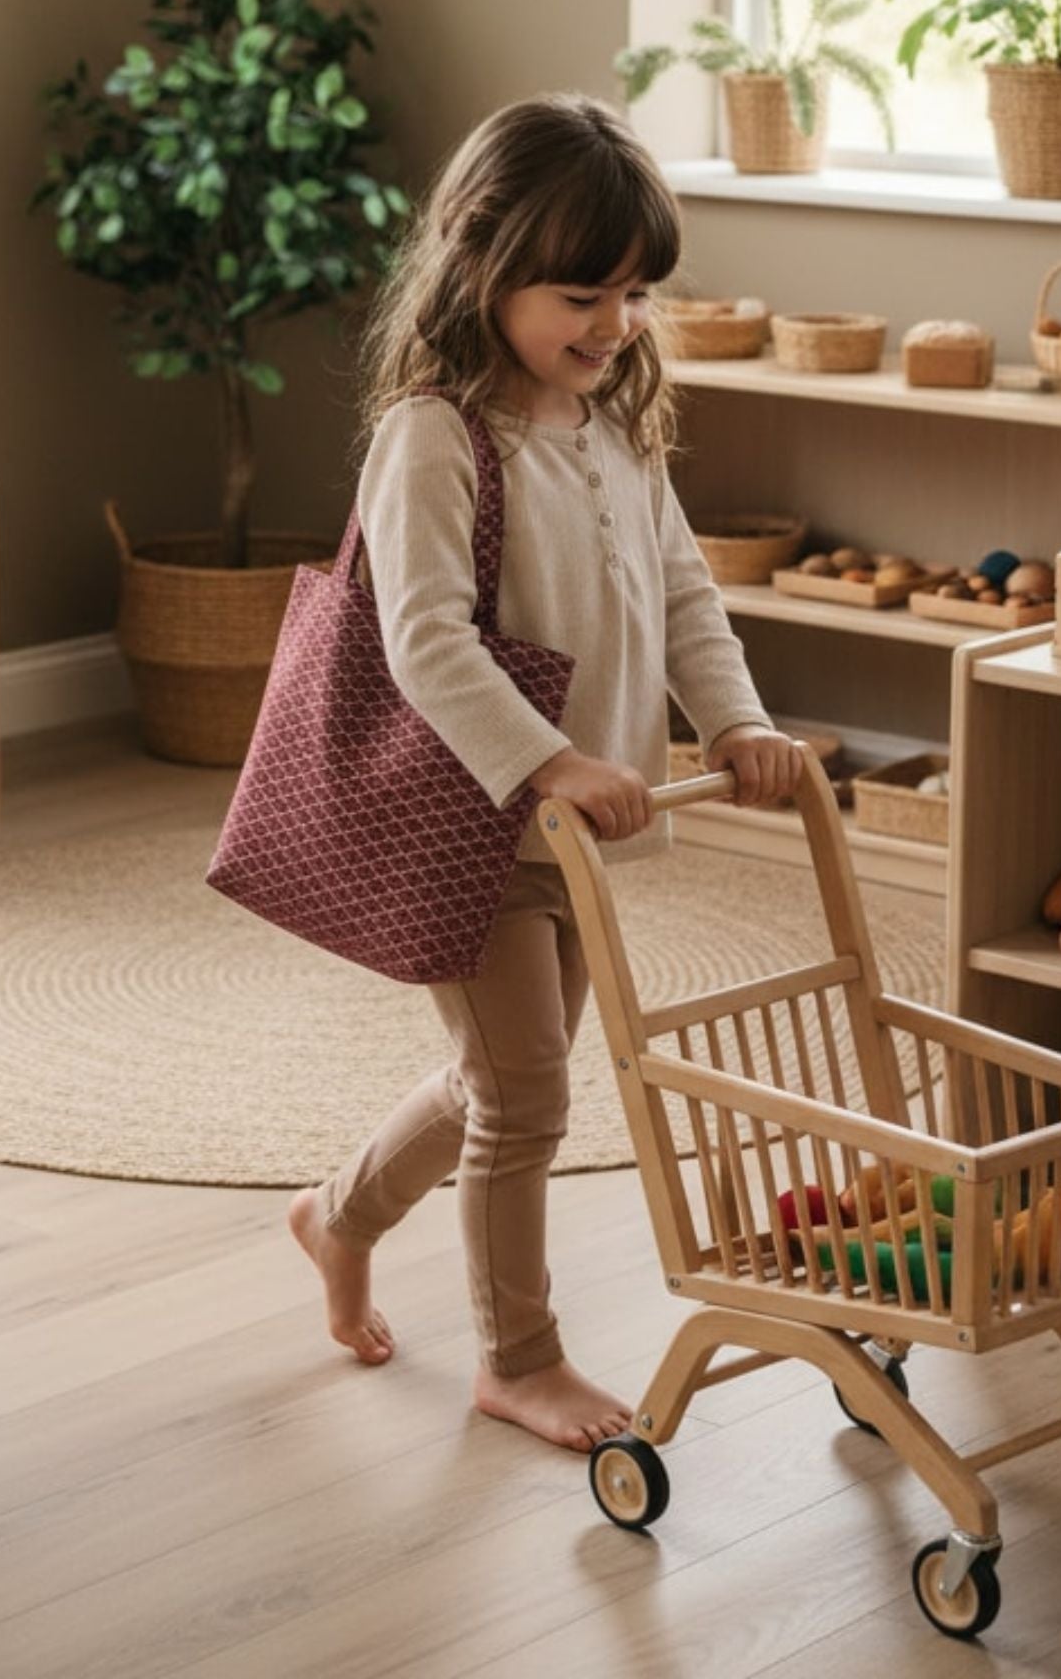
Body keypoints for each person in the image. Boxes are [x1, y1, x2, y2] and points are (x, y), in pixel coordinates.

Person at [288, 93, 801, 1452]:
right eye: (581, 293)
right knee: (527, 1098)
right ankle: (516, 1358)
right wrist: (552, 762)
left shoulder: (616, 421)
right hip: (474, 824)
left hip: (579, 826)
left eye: (633, 294)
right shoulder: (434, 436)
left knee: (499, 1080)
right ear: (481, 266)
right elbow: (424, 641)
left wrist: (733, 721)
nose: (615, 324)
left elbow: (687, 593)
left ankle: (335, 1214)